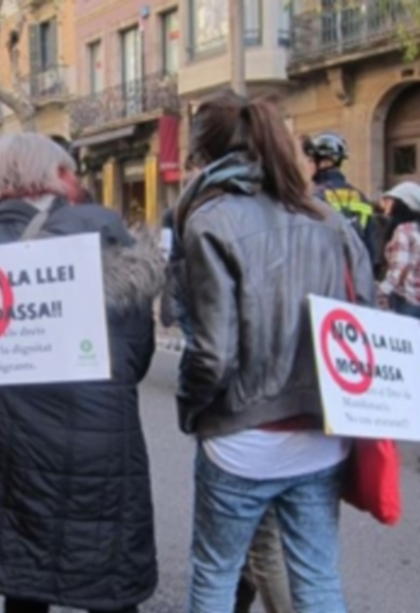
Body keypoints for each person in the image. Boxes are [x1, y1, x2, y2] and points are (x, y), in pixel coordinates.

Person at [0, 133, 164, 613]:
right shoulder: (104, 230)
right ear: (56, 175)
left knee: (23, 576)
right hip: (103, 435)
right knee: (108, 573)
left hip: (10, 440)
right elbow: (136, 357)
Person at [175, 92, 374, 613]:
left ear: (205, 151)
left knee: (215, 573)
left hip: (240, 435)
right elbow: (363, 320)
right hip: (320, 432)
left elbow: (214, 354)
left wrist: (191, 407)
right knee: (317, 576)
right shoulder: (327, 219)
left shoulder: (208, 220)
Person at [303, 132, 378, 266]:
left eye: (312, 160)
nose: (309, 165)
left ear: (326, 162)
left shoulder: (315, 197)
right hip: (357, 274)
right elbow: (371, 247)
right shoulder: (361, 197)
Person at [376, 181, 420, 317]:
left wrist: (380, 291)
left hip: (407, 304)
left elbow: (399, 270)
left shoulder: (404, 230)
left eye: (390, 201)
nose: (386, 206)